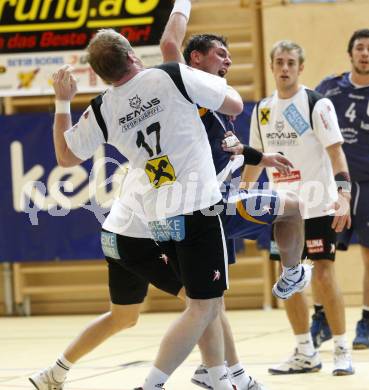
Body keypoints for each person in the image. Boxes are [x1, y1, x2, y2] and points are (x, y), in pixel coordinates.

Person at [29, 3, 305, 390]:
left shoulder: (104, 108)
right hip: (188, 210)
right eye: (220, 55)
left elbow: (65, 156)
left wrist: (62, 101)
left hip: (159, 219)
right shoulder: (173, 78)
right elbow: (225, 92)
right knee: (205, 305)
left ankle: (219, 375)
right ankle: (161, 382)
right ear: (131, 55)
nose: (227, 60)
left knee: (183, 306)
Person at [241, 40, 354, 376]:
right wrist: (242, 194)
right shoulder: (262, 110)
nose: (285, 67)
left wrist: (344, 196)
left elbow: (336, 154)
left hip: (319, 204)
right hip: (284, 210)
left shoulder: (317, 105)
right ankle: (305, 352)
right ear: (272, 66)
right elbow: (256, 160)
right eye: (279, 62)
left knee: (322, 276)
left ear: (300, 67)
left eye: (291, 62)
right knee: (288, 279)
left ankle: (341, 349)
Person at [312, 28, 369, 351]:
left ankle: (367, 321)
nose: (365, 53)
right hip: (332, 186)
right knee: (322, 257)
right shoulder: (329, 88)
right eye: (360, 48)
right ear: (350, 53)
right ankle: (321, 317)